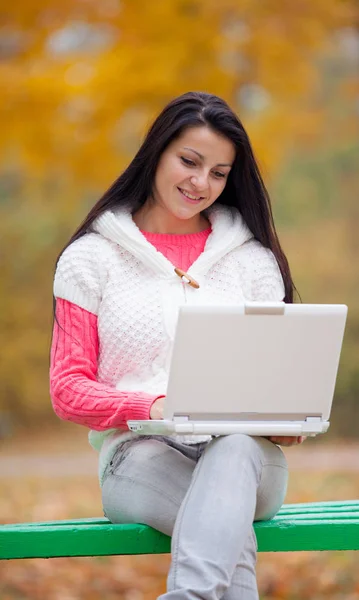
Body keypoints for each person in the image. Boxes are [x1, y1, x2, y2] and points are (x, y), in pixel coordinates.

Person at [50, 91, 304, 600]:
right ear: (156, 152)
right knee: (224, 538)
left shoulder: (252, 262)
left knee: (233, 450)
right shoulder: (91, 259)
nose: (200, 183)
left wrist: (287, 416)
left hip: (249, 463)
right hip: (139, 459)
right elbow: (67, 389)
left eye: (219, 172)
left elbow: (278, 381)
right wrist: (154, 406)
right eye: (189, 161)